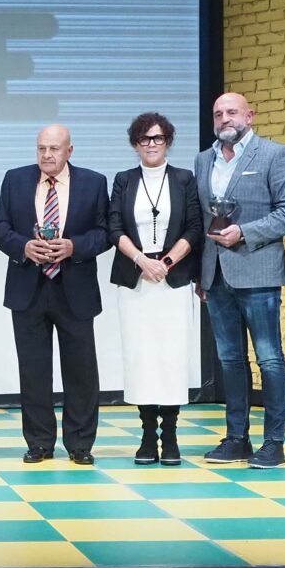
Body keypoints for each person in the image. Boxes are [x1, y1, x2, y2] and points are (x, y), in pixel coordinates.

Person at [193, 92, 285, 469]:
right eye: (218, 113)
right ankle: (236, 438)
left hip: (258, 270)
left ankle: (274, 443)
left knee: (269, 359)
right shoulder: (203, 159)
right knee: (230, 360)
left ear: (250, 115)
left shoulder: (275, 154)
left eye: (232, 112)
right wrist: (201, 274)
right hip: (216, 274)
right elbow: (202, 219)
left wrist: (244, 232)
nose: (224, 118)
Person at [0, 124, 110, 463]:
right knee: (33, 371)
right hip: (28, 287)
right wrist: (24, 247)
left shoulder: (93, 182)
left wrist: (74, 247)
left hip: (75, 289)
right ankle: (39, 442)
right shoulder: (15, 179)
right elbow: (0, 227)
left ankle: (80, 444)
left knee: (81, 371)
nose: (46, 155)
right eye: (41, 148)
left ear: (69, 150)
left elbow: (105, 233)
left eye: (54, 148)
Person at [106, 113, 203, 467]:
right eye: (144, 139)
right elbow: (113, 227)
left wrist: (167, 262)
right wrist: (142, 261)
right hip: (136, 279)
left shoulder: (184, 178)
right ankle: (148, 435)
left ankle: (171, 435)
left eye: (158, 138)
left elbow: (194, 227)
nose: (151, 144)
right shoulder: (124, 179)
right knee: (141, 357)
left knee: (171, 357)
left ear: (168, 142)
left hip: (172, 278)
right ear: (135, 144)